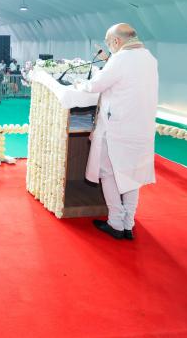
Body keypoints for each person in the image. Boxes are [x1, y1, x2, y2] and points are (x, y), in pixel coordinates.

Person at [75, 23, 158, 240]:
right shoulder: (149, 58)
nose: (108, 45)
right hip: (141, 128)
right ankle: (128, 223)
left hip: (117, 129)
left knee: (108, 173)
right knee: (132, 175)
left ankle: (116, 222)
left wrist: (79, 84)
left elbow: (95, 86)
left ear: (116, 41)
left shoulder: (120, 59)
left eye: (108, 41)